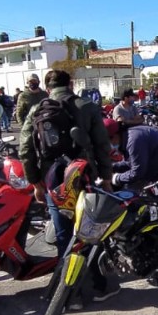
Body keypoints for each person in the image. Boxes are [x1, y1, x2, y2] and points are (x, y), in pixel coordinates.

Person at [19, 69, 113, 259]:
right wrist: (106, 178)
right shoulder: (87, 107)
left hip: (52, 178)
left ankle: (67, 280)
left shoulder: (36, 110)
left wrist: (36, 182)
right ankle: (96, 281)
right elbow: (102, 146)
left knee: (63, 233)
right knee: (89, 229)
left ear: (47, 88)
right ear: (71, 83)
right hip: (83, 176)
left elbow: (25, 150)